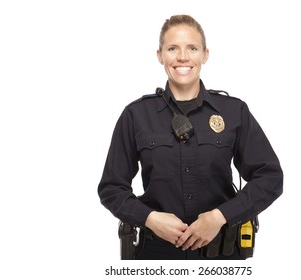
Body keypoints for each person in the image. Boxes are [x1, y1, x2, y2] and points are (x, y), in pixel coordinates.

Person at [98, 14, 283, 260]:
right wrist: (150, 219)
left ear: (205, 55)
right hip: (156, 256)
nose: (182, 57)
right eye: (173, 48)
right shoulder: (136, 115)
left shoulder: (233, 111)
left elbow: (270, 177)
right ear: (160, 55)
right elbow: (111, 188)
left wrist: (220, 216)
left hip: (221, 257)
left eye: (192, 48)